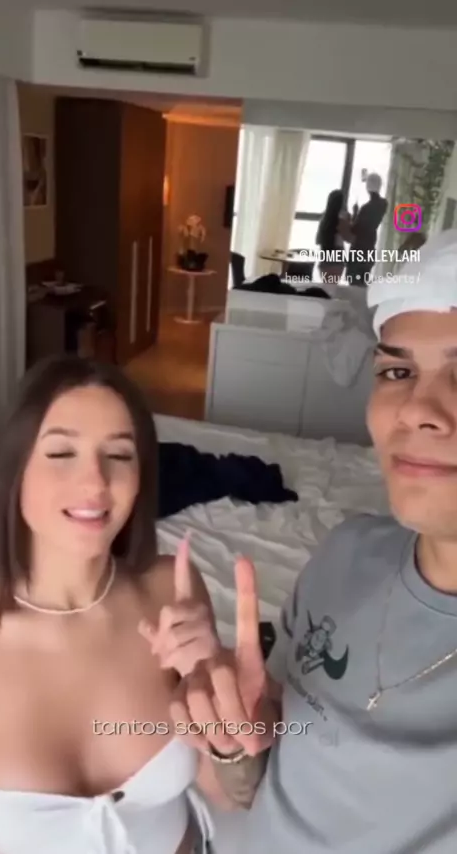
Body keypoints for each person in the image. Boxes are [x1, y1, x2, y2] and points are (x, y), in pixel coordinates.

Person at [149, 229, 457, 853]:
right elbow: (257, 774)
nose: (415, 410)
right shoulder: (346, 553)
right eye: (397, 371)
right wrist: (234, 734)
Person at [0, 354, 263, 854]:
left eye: (119, 455)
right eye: (61, 452)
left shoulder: (170, 592)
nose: (95, 483)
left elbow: (229, 796)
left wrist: (219, 705)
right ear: (14, 469)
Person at [342, 172, 388, 285]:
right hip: (369, 250)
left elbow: (355, 230)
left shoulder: (365, 208)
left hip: (358, 251)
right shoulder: (383, 204)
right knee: (362, 283)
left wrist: (354, 214)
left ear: (368, 187)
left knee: (354, 285)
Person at [315, 188, 346, 283]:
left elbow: (318, 240)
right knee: (333, 286)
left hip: (325, 258)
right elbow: (350, 238)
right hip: (337, 258)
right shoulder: (342, 220)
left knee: (326, 286)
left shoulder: (324, 219)